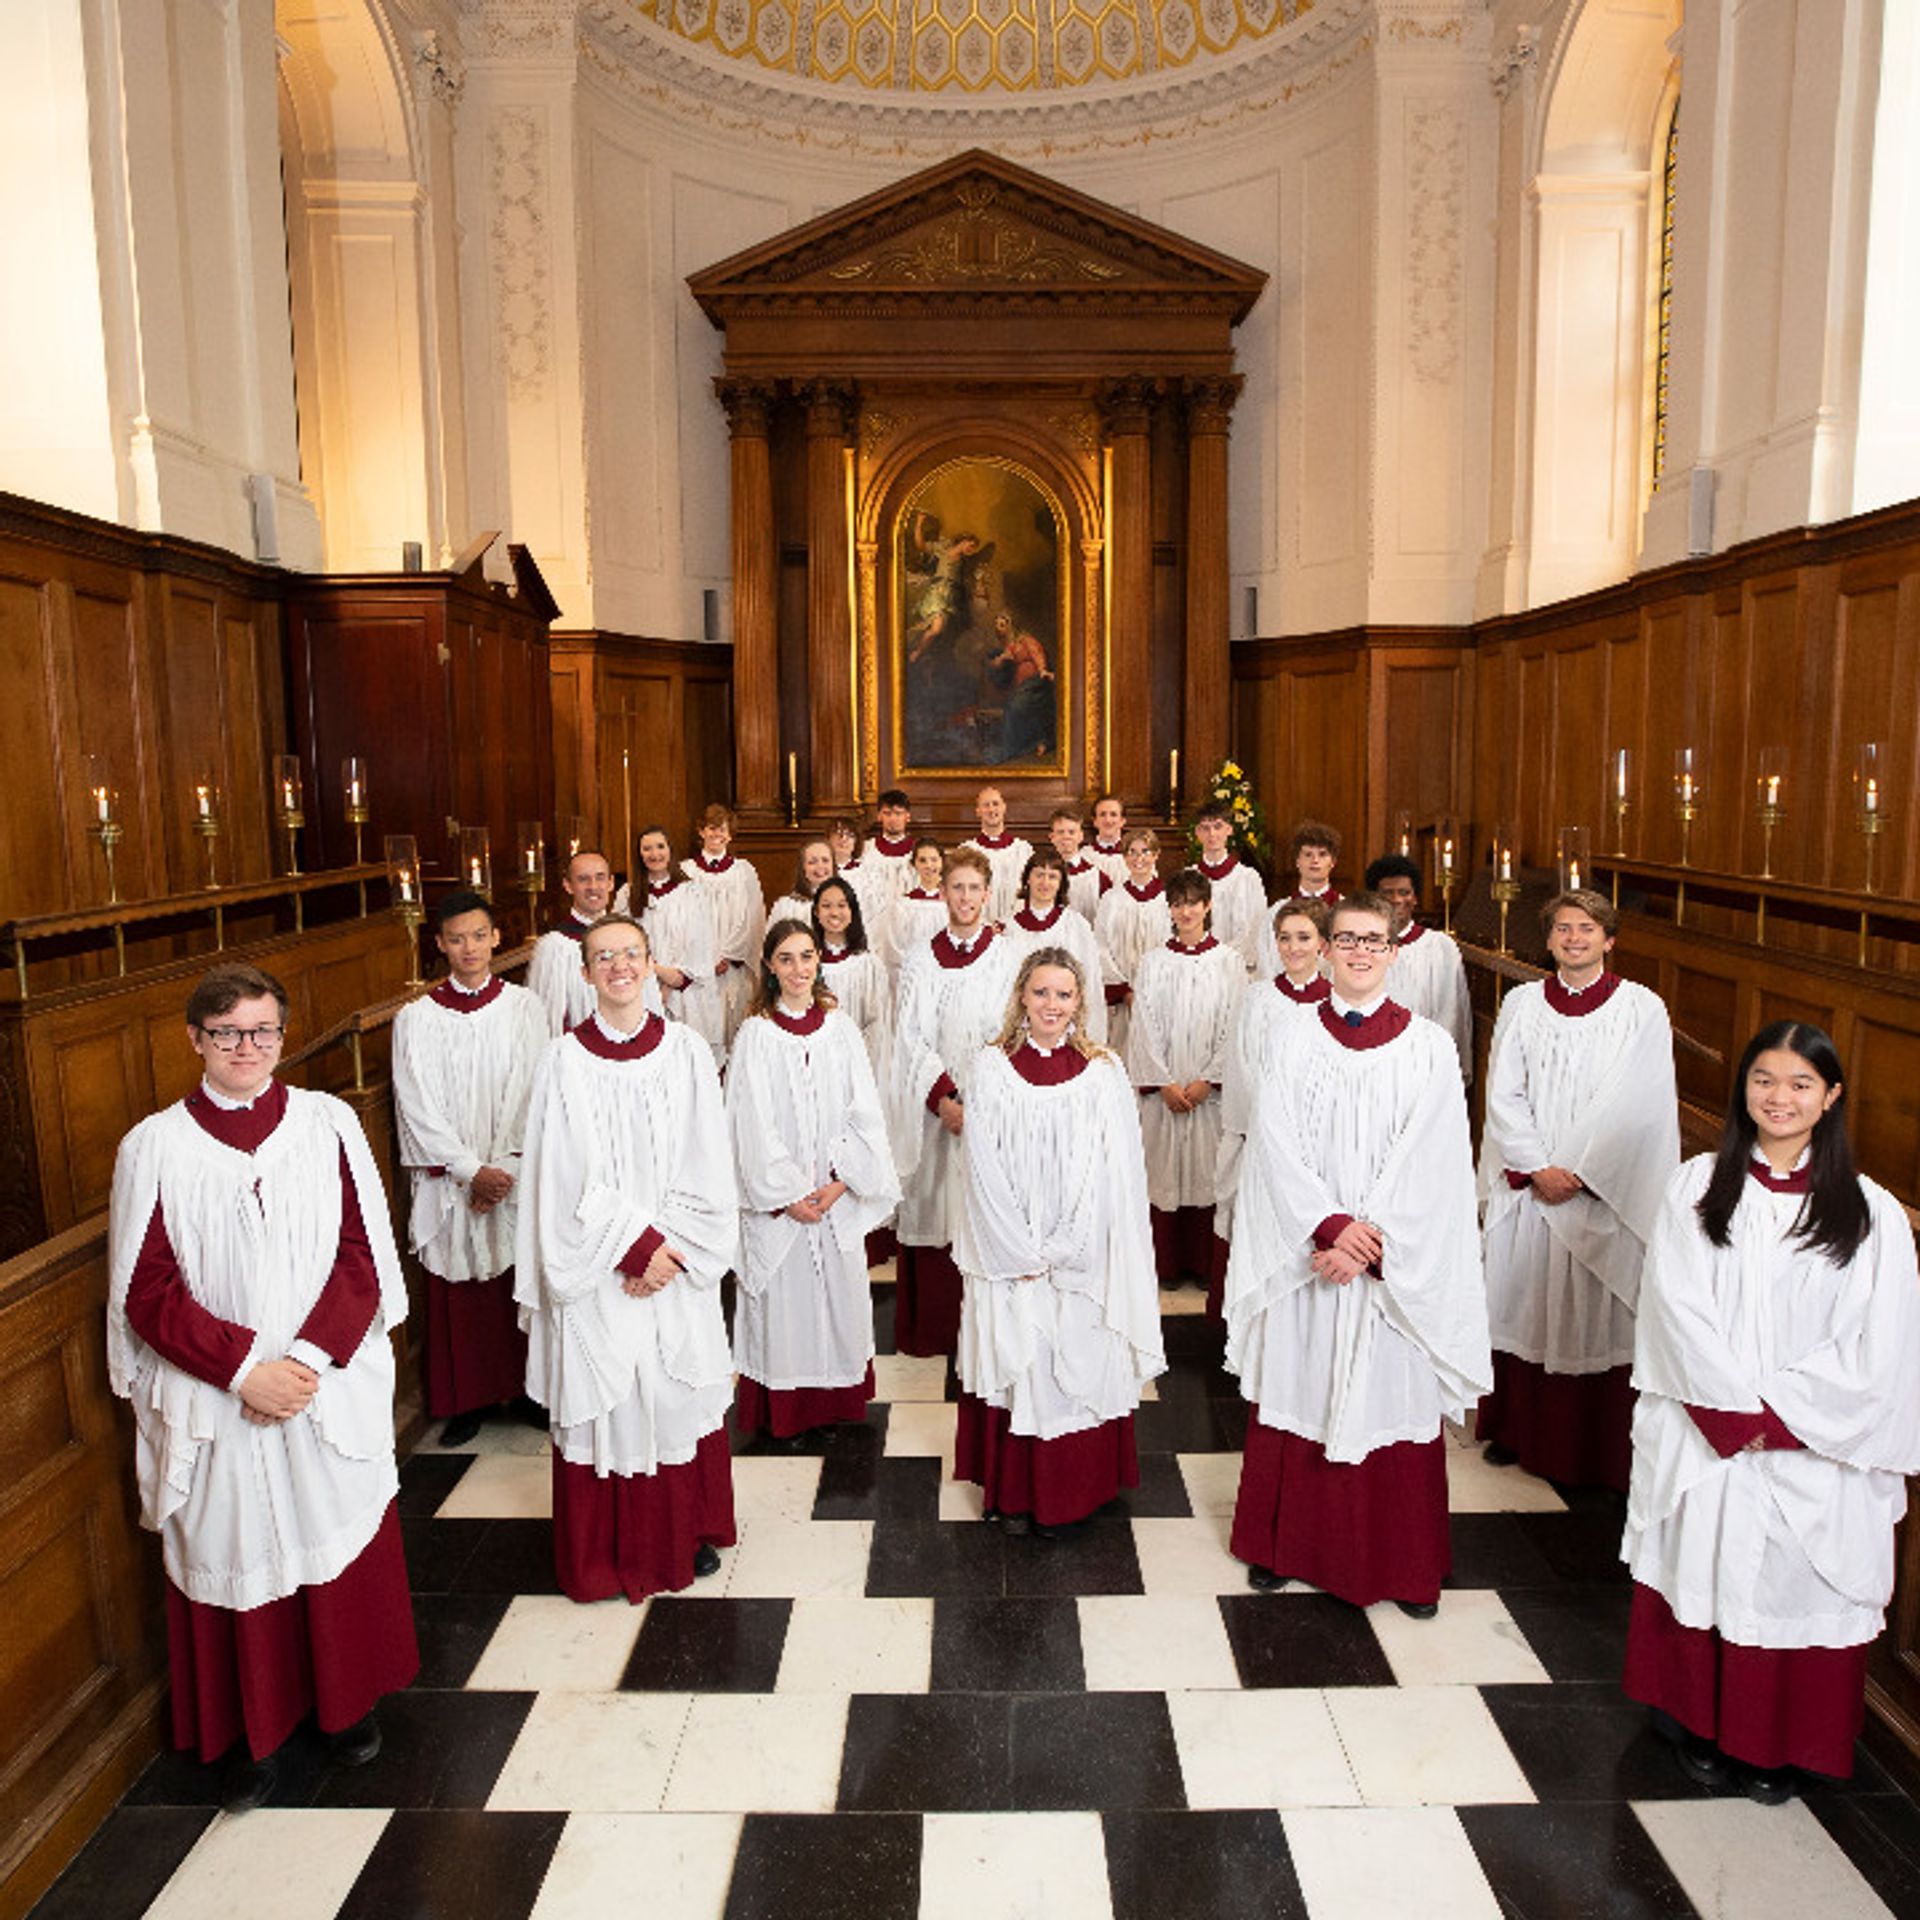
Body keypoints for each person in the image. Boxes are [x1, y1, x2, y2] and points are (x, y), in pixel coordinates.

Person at [107, 963, 416, 1812]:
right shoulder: (156, 1146)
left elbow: (363, 1254)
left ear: (282, 1034)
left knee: (329, 1529)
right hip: (219, 1394)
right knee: (236, 1549)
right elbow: (149, 1289)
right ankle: (256, 1735)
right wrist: (246, 1370)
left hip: (320, 1382)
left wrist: (306, 1363)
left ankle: (346, 1708)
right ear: (195, 1041)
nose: (248, 1048)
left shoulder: (328, 1125)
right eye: (228, 1033)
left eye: (263, 1030)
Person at [1623, 1022, 1920, 1803]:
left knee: (1793, 1583)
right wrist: (1728, 1413)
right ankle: (1700, 1726)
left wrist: (1782, 1418)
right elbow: (1675, 1305)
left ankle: (1778, 1745)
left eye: (1798, 1084)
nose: (1778, 1097)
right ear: (1742, 1089)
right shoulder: (1697, 1186)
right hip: (1710, 1432)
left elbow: (1880, 1341)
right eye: (1763, 1079)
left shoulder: (1869, 1212)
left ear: (1831, 1098)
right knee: (1706, 1562)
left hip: (1813, 1445)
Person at [1223, 893, 1490, 1615]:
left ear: (1395, 953)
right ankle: (1284, 1547)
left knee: (1391, 1397)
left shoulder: (1429, 1047)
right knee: (1299, 1384)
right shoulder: (1293, 1037)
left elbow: (1434, 1161)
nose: (1361, 952)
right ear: (1328, 950)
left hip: (1389, 1266)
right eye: (1348, 940)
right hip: (1310, 1256)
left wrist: (1370, 1241)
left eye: (1374, 941)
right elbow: (1275, 1145)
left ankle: (1403, 1564)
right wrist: (1327, 1226)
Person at [515, 914, 740, 1603]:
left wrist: (669, 1249)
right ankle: (609, 1554)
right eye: (602, 956)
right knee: (609, 1399)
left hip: (677, 1260)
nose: (618, 966)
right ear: (584, 973)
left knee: (672, 1393)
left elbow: (709, 1159)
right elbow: (556, 1178)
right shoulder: (562, 1060)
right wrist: (633, 1247)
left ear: (650, 964)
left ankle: (680, 1534)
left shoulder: (687, 1050)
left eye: (630, 954)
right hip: (601, 1270)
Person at [953, 949, 1166, 1534]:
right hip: (1010, 1253)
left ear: (1081, 1002)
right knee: (1019, 1357)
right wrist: (1019, 1248)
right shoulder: (992, 1066)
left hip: (1084, 1256)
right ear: (1022, 995)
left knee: (1078, 1356)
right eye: (1041, 992)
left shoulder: (1104, 1073)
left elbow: (1116, 1171)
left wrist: (1070, 1244)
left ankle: (1078, 1488)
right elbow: (983, 1165)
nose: (1052, 1005)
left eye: (1064, 995)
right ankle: (1017, 1491)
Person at [1477, 890, 1677, 1491]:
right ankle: (1516, 1431)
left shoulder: (1640, 1009)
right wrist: (1538, 1166)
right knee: (1526, 1305)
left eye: (1586, 928)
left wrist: (1579, 1172)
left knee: (1595, 1317)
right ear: (1550, 939)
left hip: (1600, 1192)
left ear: (1609, 939)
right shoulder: (1522, 1004)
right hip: (1534, 1190)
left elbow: (1637, 1103)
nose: (1573, 938)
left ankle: (1593, 1446)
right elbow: (1503, 1091)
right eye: (1563, 928)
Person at [728, 919, 900, 1448]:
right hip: (781, 1206)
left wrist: (841, 1182)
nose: (799, 969)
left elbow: (863, 1110)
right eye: (786, 959)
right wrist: (785, 1195)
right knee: (784, 1308)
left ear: (818, 962)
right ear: (771, 968)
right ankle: (786, 1411)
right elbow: (748, 1122)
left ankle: (831, 1403)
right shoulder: (756, 1034)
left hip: (832, 1197)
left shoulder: (840, 1030)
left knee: (835, 1304)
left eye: (807, 957)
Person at [391, 889, 549, 1446]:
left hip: (509, 1172)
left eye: (479, 936)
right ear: (439, 945)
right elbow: (416, 1104)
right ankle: (465, 1400)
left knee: (517, 1278)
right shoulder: (417, 1018)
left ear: (496, 937)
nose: (469, 948)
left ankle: (528, 1391)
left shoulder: (525, 1007)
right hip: (454, 1179)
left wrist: (501, 1168)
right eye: (456, 939)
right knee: (457, 1284)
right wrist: (467, 1170)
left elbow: (533, 1089)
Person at [889, 848, 1020, 1357]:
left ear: (988, 894)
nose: (965, 898)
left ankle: (985, 1331)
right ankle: (935, 1331)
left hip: (989, 1107)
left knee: (985, 1207)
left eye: (974, 889)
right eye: (956, 887)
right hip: (936, 1110)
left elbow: (1014, 1029)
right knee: (933, 1204)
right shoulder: (922, 958)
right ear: (942, 892)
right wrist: (943, 1096)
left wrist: (979, 1099)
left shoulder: (1007, 956)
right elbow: (909, 1036)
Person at [1128, 869, 1244, 1310]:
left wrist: (1208, 1080)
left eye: (1194, 902)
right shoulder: (1155, 961)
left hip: (1207, 1093)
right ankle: (1168, 1266)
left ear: (1208, 906)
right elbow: (1145, 1026)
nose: (1186, 911)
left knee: (1207, 1172)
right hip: (1167, 1089)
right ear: (1170, 910)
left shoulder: (1229, 962)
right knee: (1164, 1171)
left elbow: (1235, 1023)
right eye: (1178, 903)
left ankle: (1202, 1262)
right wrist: (1162, 1081)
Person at [1217, 900, 1332, 1251]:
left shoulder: (1335, 1003)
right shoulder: (1256, 999)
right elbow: (1242, 1067)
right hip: (1261, 1138)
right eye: (1284, 938)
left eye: (1303, 937)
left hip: (1317, 1144)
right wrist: (1272, 1126)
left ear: (1322, 945)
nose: (1293, 948)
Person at [1365, 853, 1471, 1082]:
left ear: (1415, 898)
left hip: (1423, 1064)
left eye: (1404, 892)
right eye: (1387, 893)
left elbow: (1450, 1012)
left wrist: (1433, 1066)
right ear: (1374, 898)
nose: (1396, 900)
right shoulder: (1359, 947)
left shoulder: (1439, 948)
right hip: (1371, 1063)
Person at [634, 825, 727, 1068]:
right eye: (647, 848)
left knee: (689, 1062)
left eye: (660, 846)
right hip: (643, 988)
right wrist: (656, 974)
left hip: (688, 989)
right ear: (639, 854)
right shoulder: (629, 895)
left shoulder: (692, 892)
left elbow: (701, 941)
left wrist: (672, 981)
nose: (654, 854)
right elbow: (627, 942)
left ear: (670, 851)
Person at [1001, 847, 1107, 1044]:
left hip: (1067, 1030)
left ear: (1061, 884)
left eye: (1052, 876)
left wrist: (1088, 1035)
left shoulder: (1076, 925)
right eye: (1039, 875)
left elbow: (1089, 983)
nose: (1045, 882)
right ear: (1027, 879)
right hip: (1022, 1030)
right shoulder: (1009, 929)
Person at [684, 802, 765, 1047]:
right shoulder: (686, 871)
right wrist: (706, 956)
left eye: (722, 829)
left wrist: (728, 954)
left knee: (734, 1033)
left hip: (732, 968)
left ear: (730, 834)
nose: (717, 834)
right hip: (699, 966)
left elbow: (752, 918)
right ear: (701, 832)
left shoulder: (744, 872)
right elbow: (684, 919)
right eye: (711, 828)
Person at [1092, 826, 1169, 1058]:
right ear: (1124, 857)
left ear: (1156, 855)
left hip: (1159, 992)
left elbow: (1173, 944)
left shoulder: (1169, 898)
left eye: (1145, 852)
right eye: (1132, 852)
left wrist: (1155, 987)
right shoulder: (1112, 899)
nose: (1139, 859)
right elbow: (1101, 946)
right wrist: (1125, 990)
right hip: (1123, 997)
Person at [527, 846, 617, 1034]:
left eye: (600, 877)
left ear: (610, 883)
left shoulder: (626, 938)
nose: (593, 886)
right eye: (583, 879)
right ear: (568, 886)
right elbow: (545, 1017)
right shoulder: (555, 947)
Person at [812, 875, 891, 1071]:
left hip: (859, 1062)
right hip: (817, 1062)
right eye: (826, 906)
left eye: (842, 905)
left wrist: (855, 1056)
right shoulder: (807, 965)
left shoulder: (868, 965)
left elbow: (878, 1023)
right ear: (816, 912)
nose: (834, 913)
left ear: (852, 911)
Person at [1192, 799, 1269, 976]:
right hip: (1198, 969)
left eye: (1218, 826)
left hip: (1237, 970)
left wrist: (1222, 959)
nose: (1212, 834)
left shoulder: (1248, 878)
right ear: (1197, 833)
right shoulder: (1190, 878)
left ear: (1229, 830)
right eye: (1205, 828)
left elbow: (1255, 929)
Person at [985, 611, 1056, 762]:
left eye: (1002, 625)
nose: (998, 628)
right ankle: (1031, 743)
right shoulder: (1011, 646)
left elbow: (1037, 654)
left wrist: (1043, 670)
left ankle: (1013, 747)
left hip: (1035, 682)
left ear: (1011, 626)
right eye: (996, 625)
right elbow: (1001, 660)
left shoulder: (1026, 640)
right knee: (1015, 709)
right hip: (1022, 686)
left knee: (1015, 707)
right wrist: (994, 663)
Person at [961, 785, 1033, 923]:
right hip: (977, 927)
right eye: (986, 805)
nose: (991, 809)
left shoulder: (1023, 850)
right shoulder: (967, 851)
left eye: (995, 804)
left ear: (1004, 808)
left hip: (1017, 926)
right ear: (978, 811)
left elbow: (1030, 891)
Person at [879, 838, 950, 976]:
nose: (929, 865)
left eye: (934, 859)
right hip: (913, 973)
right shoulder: (904, 905)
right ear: (914, 864)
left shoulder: (953, 903)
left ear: (942, 862)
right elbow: (895, 944)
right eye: (922, 860)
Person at [1048, 804, 1109, 923]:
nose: (1066, 837)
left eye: (1071, 832)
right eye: (1060, 832)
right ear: (1052, 837)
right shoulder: (1041, 873)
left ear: (1081, 836)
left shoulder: (1096, 877)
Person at [769, 837, 836, 928]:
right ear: (802, 868)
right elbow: (773, 940)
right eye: (812, 862)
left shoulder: (847, 903)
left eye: (825, 860)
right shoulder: (785, 906)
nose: (820, 866)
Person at [867, 789, 918, 899]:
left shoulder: (918, 851)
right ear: (879, 816)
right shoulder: (867, 849)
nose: (892, 819)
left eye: (898, 813)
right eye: (887, 813)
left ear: (908, 816)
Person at [1087, 793, 1130, 883]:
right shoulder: (1085, 857)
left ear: (1122, 821)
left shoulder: (1137, 855)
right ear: (1095, 821)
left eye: (1113, 814)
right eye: (1102, 814)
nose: (1108, 820)